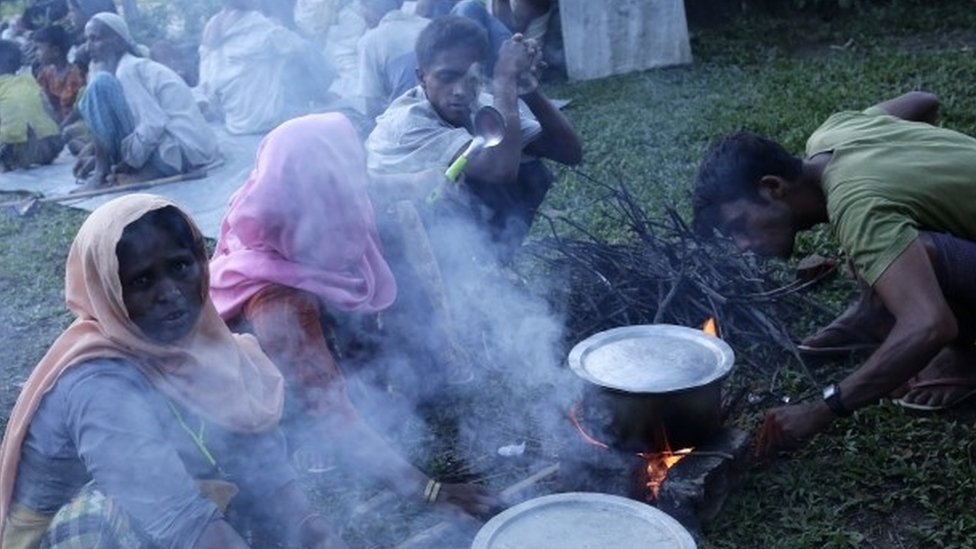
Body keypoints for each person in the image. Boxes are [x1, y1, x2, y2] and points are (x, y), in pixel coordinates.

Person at [0, 194, 348, 549]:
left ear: (201, 262)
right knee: (98, 515)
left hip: (165, 509)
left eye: (180, 267)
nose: (168, 293)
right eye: (141, 281)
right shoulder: (96, 385)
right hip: (73, 535)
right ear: (109, 291)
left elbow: (263, 468)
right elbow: (179, 521)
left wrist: (316, 532)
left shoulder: (202, 346)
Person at [209, 113, 500, 519]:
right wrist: (432, 490)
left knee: (390, 241)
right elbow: (331, 412)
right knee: (311, 403)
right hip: (266, 393)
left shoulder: (283, 197)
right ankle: (298, 438)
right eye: (342, 188)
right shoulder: (277, 303)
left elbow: (366, 185)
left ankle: (387, 379)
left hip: (310, 307)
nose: (355, 195)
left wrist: (418, 182)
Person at [692, 91, 976, 456]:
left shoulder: (856, 203)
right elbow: (924, 101)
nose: (744, 244)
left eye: (741, 225)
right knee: (883, 247)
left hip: (929, 310)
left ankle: (967, 357)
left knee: (915, 251)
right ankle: (873, 316)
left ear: (773, 187)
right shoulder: (834, 134)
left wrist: (823, 408)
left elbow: (931, 324)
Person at [365, 15, 581, 256]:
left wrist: (528, 89)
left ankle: (493, 262)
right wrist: (505, 79)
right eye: (446, 77)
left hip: (430, 227)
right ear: (421, 77)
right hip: (390, 245)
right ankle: (466, 273)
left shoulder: (479, 105)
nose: (459, 91)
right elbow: (500, 170)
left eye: (471, 78)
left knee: (532, 173)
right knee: (468, 187)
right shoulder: (408, 122)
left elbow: (569, 152)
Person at [75, 13, 218, 187]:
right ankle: (108, 168)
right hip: (189, 147)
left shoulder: (127, 70)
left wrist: (128, 164)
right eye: (86, 40)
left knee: (99, 85)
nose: (87, 47)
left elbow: (153, 124)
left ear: (118, 42)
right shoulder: (118, 68)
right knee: (98, 85)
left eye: (95, 39)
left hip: (182, 151)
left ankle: (107, 171)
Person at [195, 0, 335, 135]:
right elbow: (300, 47)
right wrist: (280, 28)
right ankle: (322, 96)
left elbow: (207, 85)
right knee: (304, 54)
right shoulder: (259, 27)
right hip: (261, 120)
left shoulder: (213, 25)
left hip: (232, 119)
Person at [356, 0, 429, 119]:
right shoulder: (430, 25)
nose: (361, 13)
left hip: (407, 120)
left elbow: (372, 105)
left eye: (363, 6)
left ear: (371, 7)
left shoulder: (370, 41)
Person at [0, 40, 62, 171]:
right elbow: (49, 112)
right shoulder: (29, 80)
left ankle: (7, 162)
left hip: (18, 152)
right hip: (51, 147)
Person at [32, 25, 84, 122]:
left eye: (39, 48)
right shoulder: (45, 74)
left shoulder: (74, 75)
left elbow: (75, 110)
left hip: (73, 122)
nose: (36, 53)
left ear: (56, 51)